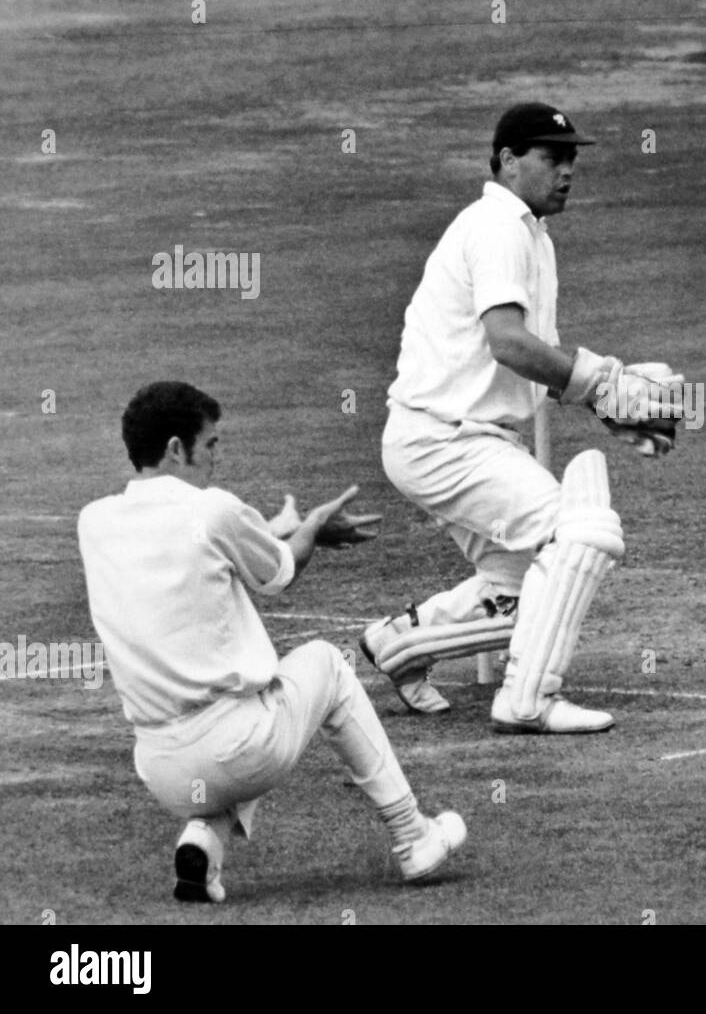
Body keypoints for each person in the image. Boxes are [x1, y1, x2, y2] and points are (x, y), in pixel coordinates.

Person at [77, 381, 466, 903]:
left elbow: (190, 553)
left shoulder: (94, 522)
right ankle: (413, 835)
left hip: (159, 768)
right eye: (210, 444)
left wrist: (268, 529)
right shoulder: (212, 510)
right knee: (326, 664)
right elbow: (282, 571)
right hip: (236, 747)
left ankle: (202, 842)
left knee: (237, 742)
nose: (216, 457)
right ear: (175, 448)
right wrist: (310, 527)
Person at [363, 102, 682, 733]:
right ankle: (528, 699)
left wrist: (606, 407)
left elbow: (529, 364)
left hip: (459, 438)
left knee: (523, 588)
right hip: (445, 439)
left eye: (571, 159)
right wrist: (598, 387)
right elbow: (506, 341)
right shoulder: (499, 225)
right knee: (581, 534)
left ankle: (401, 643)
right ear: (508, 162)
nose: (567, 170)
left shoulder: (530, 233)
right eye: (551, 157)